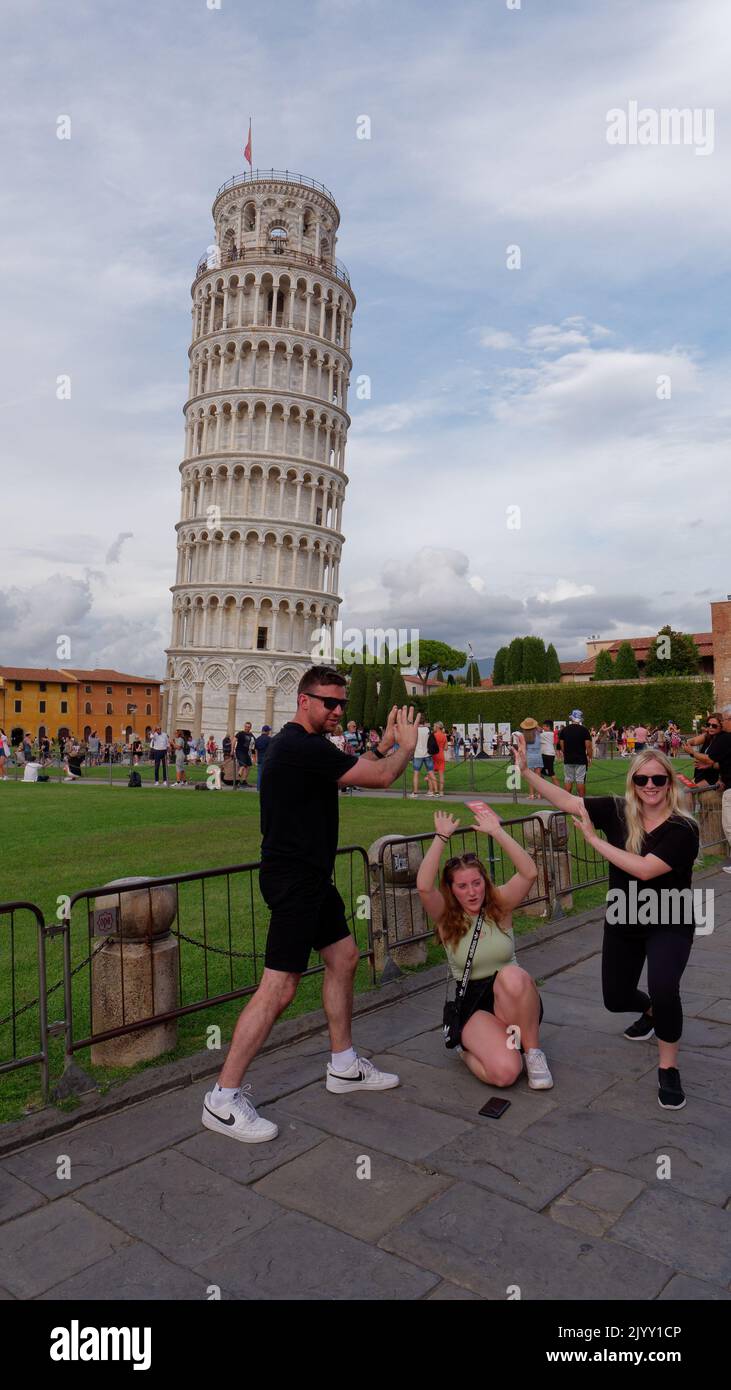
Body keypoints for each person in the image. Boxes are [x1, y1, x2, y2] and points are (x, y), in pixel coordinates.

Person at [201, 667, 421, 1143]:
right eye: (330, 703)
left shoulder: (297, 745)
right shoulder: (303, 747)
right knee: (279, 988)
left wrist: (382, 744)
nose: (339, 711)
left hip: (311, 878)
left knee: (342, 958)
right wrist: (406, 745)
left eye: (342, 704)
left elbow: (351, 770)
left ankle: (343, 1064)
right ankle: (222, 1097)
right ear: (305, 701)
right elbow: (380, 778)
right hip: (294, 881)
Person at [515, 734, 700, 1110]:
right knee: (615, 998)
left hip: (670, 918)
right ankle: (650, 1011)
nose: (650, 786)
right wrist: (527, 773)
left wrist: (593, 841)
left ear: (670, 782)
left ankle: (668, 1067)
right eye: (642, 780)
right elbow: (568, 801)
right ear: (631, 782)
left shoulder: (684, 828)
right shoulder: (617, 811)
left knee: (665, 986)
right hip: (625, 917)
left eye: (658, 779)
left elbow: (646, 870)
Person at [416, 808, 552, 1089]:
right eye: (463, 886)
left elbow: (529, 873)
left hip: (512, 999)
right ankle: (467, 1049)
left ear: (484, 883)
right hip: (475, 1003)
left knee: (513, 976)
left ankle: (533, 1052)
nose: (472, 892)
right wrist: (441, 837)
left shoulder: (498, 907)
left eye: (477, 883)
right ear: (452, 890)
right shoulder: (446, 917)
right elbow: (423, 887)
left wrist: (497, 831)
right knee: (505, 1074)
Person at [692, 705, 731, 871]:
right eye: (710, 725)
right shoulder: (717, 738)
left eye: (721, 722)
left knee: (729, 826)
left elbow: (710, 760)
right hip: (725, 783)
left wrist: (691, 752)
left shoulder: (725, 738)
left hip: (726, 787)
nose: (720, 724)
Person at [558, 709, 592, 798]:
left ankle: (567, 801)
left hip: (568, 758)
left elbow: (562, 745)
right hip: (581, 758)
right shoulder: (584, 730)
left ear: (571, 718)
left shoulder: (564, 730)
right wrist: (590, 757)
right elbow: (588, 746)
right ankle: (581, 801)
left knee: (568, 780)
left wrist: (566, 753)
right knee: (580, 780)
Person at [410, 721, 437, 798]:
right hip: (427, 753)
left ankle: (415, 792)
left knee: (416, 774)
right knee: (431, 773)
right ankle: (433, 791)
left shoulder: (415, 730)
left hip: (417, 754)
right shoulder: (428, 729)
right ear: (424, 722)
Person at [520, 718, 543, 799]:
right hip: (538, 755)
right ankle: (539, 794)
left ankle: (532, 795)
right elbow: (541, 729)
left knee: (530, 777)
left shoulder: (523, 735)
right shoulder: (538, 733)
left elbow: (523, 748)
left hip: (529, 755)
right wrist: (535, 724)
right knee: (538, 777)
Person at [539, 719, 559, 786]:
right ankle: (548, 788)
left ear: (548, 727)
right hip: (549, 754)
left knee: (550, 773)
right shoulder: (552, 734)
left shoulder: (544, 734)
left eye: (544, 726)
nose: (542, 727)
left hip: (546, 755)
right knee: (541, 772)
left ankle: (558, 790)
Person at [235, 723, 255, 787]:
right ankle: (237, 782)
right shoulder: (240, 733)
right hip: (240, 751)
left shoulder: (251, 735)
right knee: (242, 766)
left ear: (250, 728)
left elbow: (254, 743)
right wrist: (232, 750)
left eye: (248, 727)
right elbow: (234, 740)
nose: (247, 728)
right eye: (246, 727)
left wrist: (254, 754)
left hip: (246, 753)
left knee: (249, 766)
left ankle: (244, 781)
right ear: (244, 727)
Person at [432, 720, 448, 796]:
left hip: (434, 755)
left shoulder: (434, 735)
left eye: (434, 726)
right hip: (441, 755)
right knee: (441, 774)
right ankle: (441, 791)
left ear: (437, 727)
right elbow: (446, 748)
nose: (433, 727)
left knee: (432, 774)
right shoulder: (444, 736)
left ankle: (433, 790)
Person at [254, 725, 272, 790]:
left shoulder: (258, 739)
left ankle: (258, 788)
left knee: (259, 774)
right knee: (267, 775)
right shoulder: (269, 739)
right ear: (267, 731)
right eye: (269, 731)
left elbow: (255, 749)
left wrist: (255, 759)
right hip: (267, 759)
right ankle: (266, 788)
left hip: (260, 759)